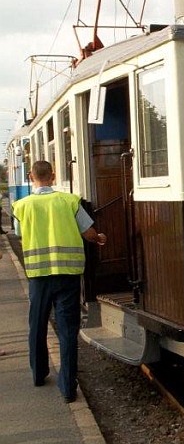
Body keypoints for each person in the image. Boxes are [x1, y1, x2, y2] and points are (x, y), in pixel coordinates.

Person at [12, 160, 107, 403]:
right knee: (67, 330)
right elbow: (88, 232)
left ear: (31, 178)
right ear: (52, 176)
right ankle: (68, 388)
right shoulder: (69, 201)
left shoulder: (21, 206)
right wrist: (99, 238)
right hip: (67, 275)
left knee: (38, 325)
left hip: (38, 277)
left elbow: (21, 234)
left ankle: (39, 374)